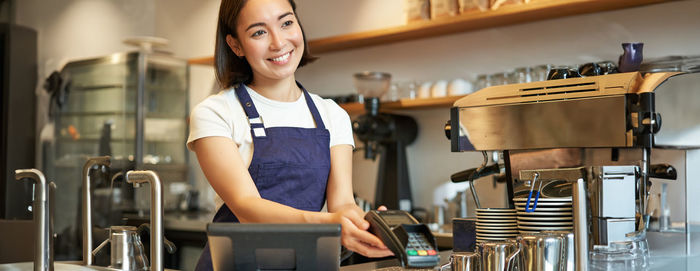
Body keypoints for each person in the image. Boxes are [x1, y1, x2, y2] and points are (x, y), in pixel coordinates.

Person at [187, 0, 393, 270]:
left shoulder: (333, 115)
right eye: (259, 32)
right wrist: (330, 224)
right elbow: (247, 207)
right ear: (236, 45)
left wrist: (364, 223)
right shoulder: (216, 112)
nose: (278, 42)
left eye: (286, 23)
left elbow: (342, 203)